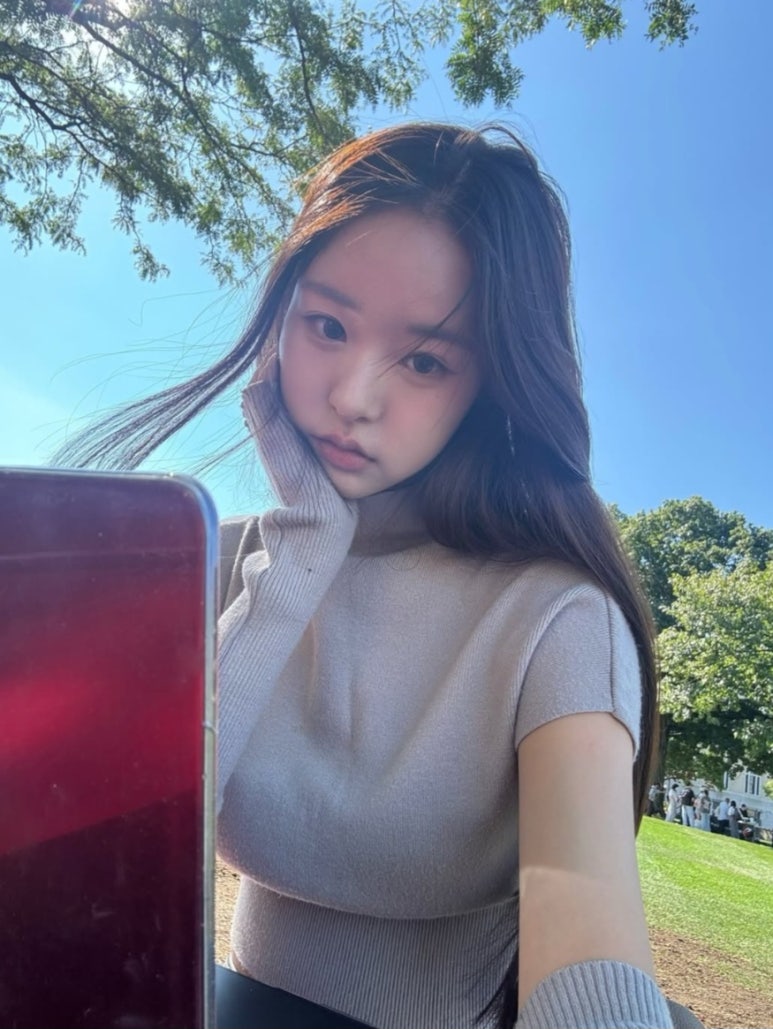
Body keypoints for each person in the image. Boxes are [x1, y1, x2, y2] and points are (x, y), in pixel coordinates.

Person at [58, 124, 702, 1029]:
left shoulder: (556, 618)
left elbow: (588, 943)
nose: (352, 397)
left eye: (425, 360)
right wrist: (297, 560)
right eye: (327, 326)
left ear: (492, 383)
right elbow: (107, 857)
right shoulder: (211, 559)